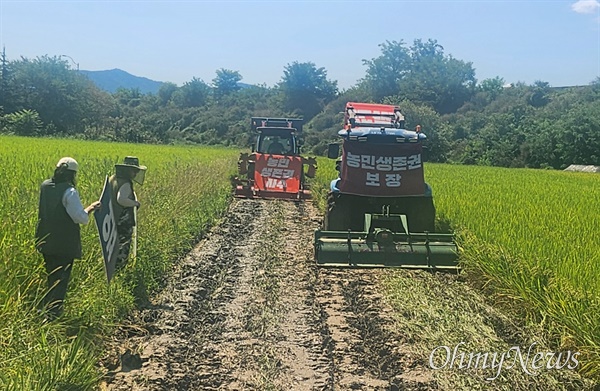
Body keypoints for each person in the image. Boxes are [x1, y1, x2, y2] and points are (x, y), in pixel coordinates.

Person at [35, 157, 101, 320]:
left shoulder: (45, 186)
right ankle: (53, 315)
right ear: (72, 175)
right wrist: (91, 208)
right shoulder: (69, 192)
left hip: (45, 240)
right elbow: (80, 218)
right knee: (61, 279)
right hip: (63, 244)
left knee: (51, 275)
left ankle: (44, 311)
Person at [109, 156, 146, 271]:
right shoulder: (125, 183)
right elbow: (121, 199)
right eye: (133, 170)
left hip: (112, 218)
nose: (135, 173)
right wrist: (135, 203)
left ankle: (113, 270)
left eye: (136, 171)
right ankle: (119, 270)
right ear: (127, 170)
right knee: (123, 246)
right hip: (123, 220)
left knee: (113, 246)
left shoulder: (113, 179)